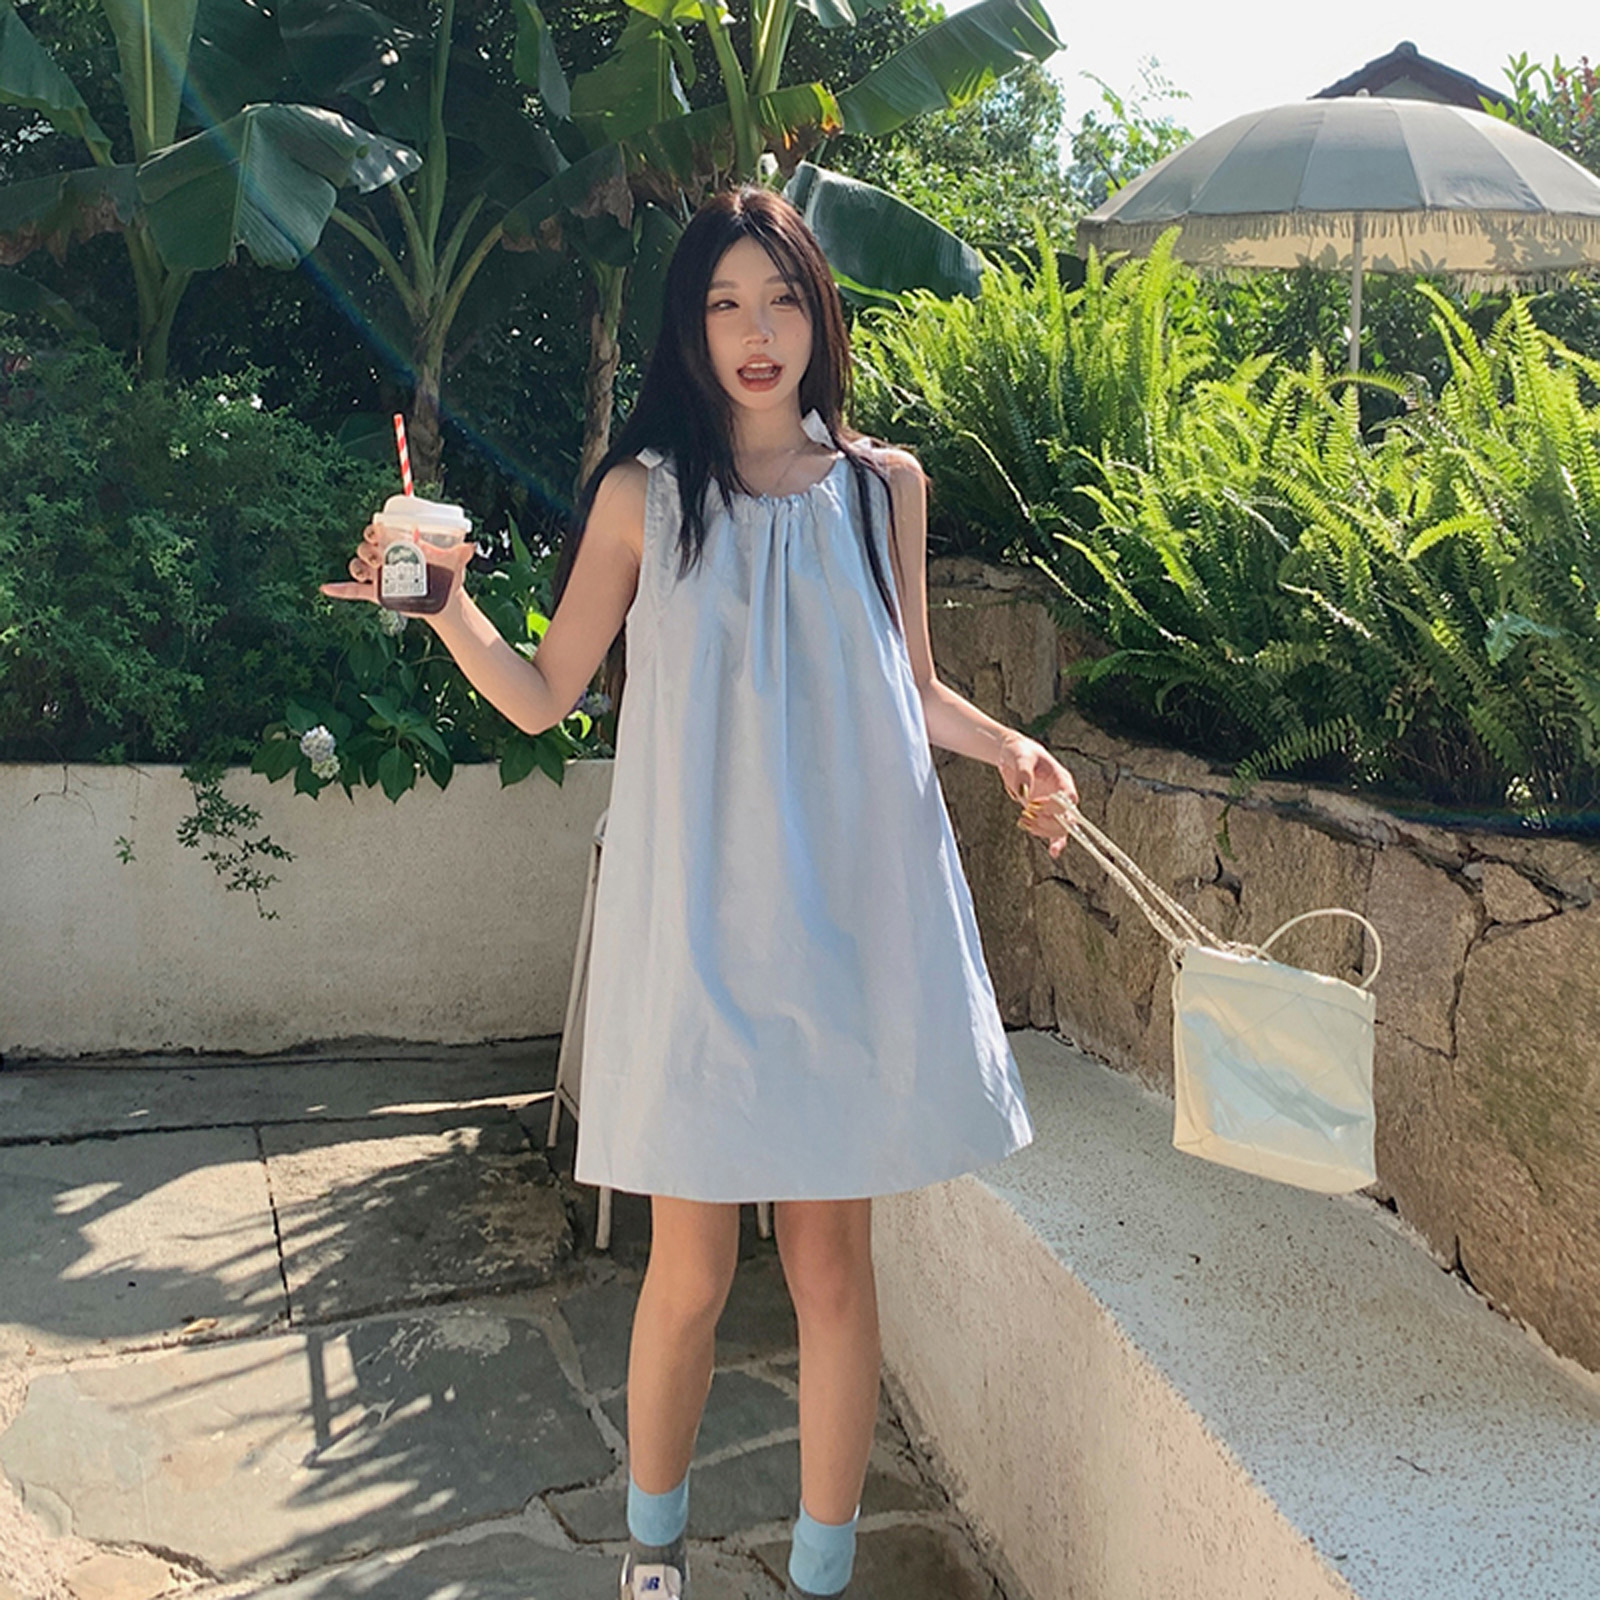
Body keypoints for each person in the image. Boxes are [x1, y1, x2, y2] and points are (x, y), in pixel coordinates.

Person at [324, 186, 1077, 1600]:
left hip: (848, 921)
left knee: (833, 1270)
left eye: (781, 298)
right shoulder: (645, 495)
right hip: (700, 928)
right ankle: (652, 1562)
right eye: (726, 303)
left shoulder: (885, 489)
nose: (756, 330)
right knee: (690, 1271)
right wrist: (446, 609)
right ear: (690, 327)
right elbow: (546, 694)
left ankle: (820, 1576)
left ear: (820, 314)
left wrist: (1013, 749)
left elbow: (915, 690)